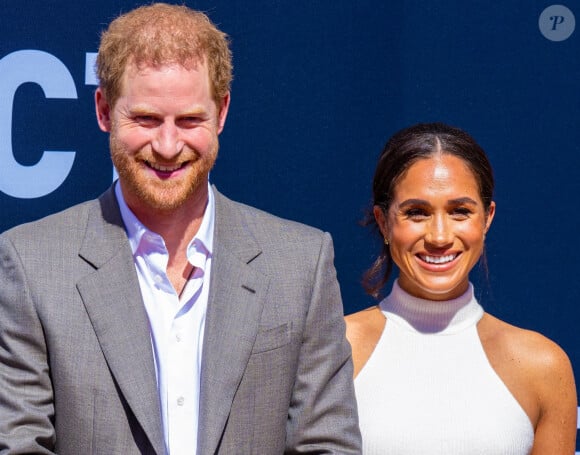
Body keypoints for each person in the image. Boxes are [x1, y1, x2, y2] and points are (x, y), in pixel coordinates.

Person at [0, 4, 361, 454]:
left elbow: (327, 445)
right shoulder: (32, 265)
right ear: (104, 110)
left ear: (222, 112)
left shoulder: (300, 264)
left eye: (189, 121)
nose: (168, 146)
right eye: (146, 119)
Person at [345, 122, 577, 454]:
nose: (439, 236)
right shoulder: (334, 350)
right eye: (416, 213)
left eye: (460, 212)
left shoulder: (543, 366)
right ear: (384, 222)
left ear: (487, 218)